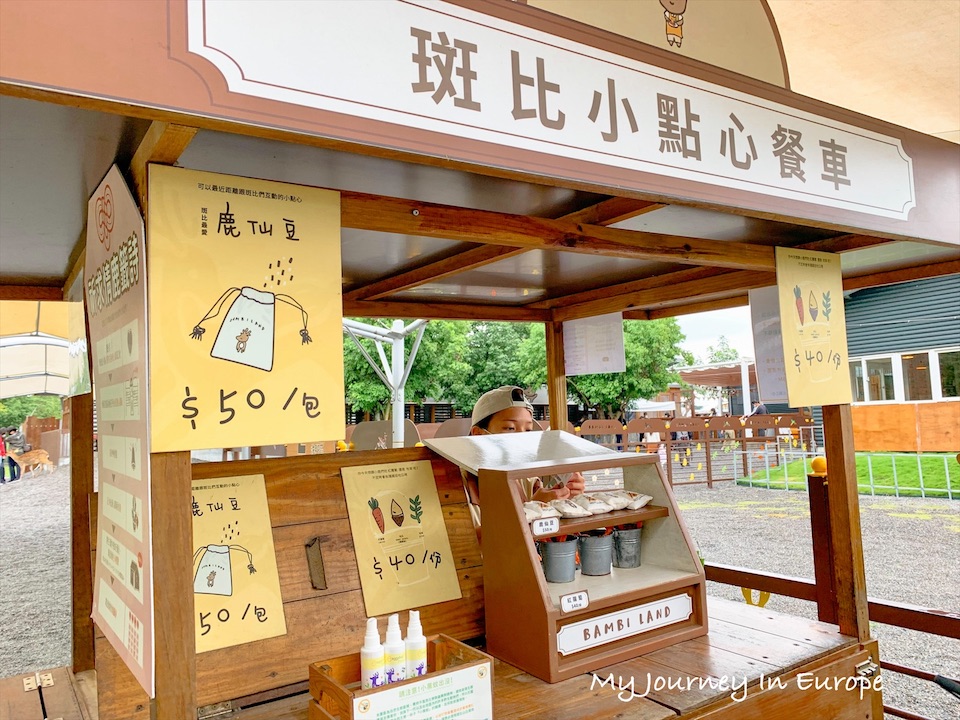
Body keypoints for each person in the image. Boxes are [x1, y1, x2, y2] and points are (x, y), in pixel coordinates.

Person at [464, 386, 585, 531]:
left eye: (528, 430)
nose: (522, 437)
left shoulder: (526, 479)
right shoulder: (456, 486)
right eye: (510, 428)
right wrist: (533, 508)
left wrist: (568, 497)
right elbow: (466, 540)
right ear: (478, 434)